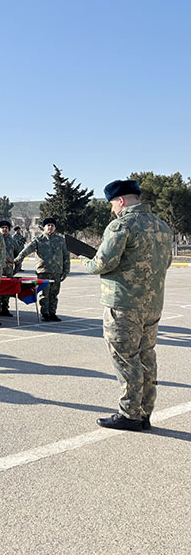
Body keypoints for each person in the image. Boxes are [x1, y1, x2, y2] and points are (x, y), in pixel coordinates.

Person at [84, 179, 172, 431]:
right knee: (146, 356)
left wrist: (87, 263)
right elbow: (165, 263)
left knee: (126, 358)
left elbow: (103, 262)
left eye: (112, 204)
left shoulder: (122, 225)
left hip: (123, 304)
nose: (113, 209)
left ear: (121, 201)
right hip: (152, 304)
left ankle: (129, 414)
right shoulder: (162, 226)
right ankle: (144, 412)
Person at [13, 217, 71, 321]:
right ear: (44, 227)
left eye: (52, 226)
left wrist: (66, 271)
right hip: (43, 271)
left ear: (55, 227)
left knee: (54, 294)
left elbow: (66, 256)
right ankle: (45, 313)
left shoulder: (61, 240)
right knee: (44, 294)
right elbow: (27, 250)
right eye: (48, 225)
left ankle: (52, 313)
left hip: (57, 271)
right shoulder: (38, 240)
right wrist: (17, 259)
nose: (50, 227)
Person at [0, 220, 20, 318]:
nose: (4, 229)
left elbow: (18, 255)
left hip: (9, 270)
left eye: (6, 228)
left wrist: (16, 268)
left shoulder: (13, 241)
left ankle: (5, 308)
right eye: (2, 228)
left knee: (7, 290)